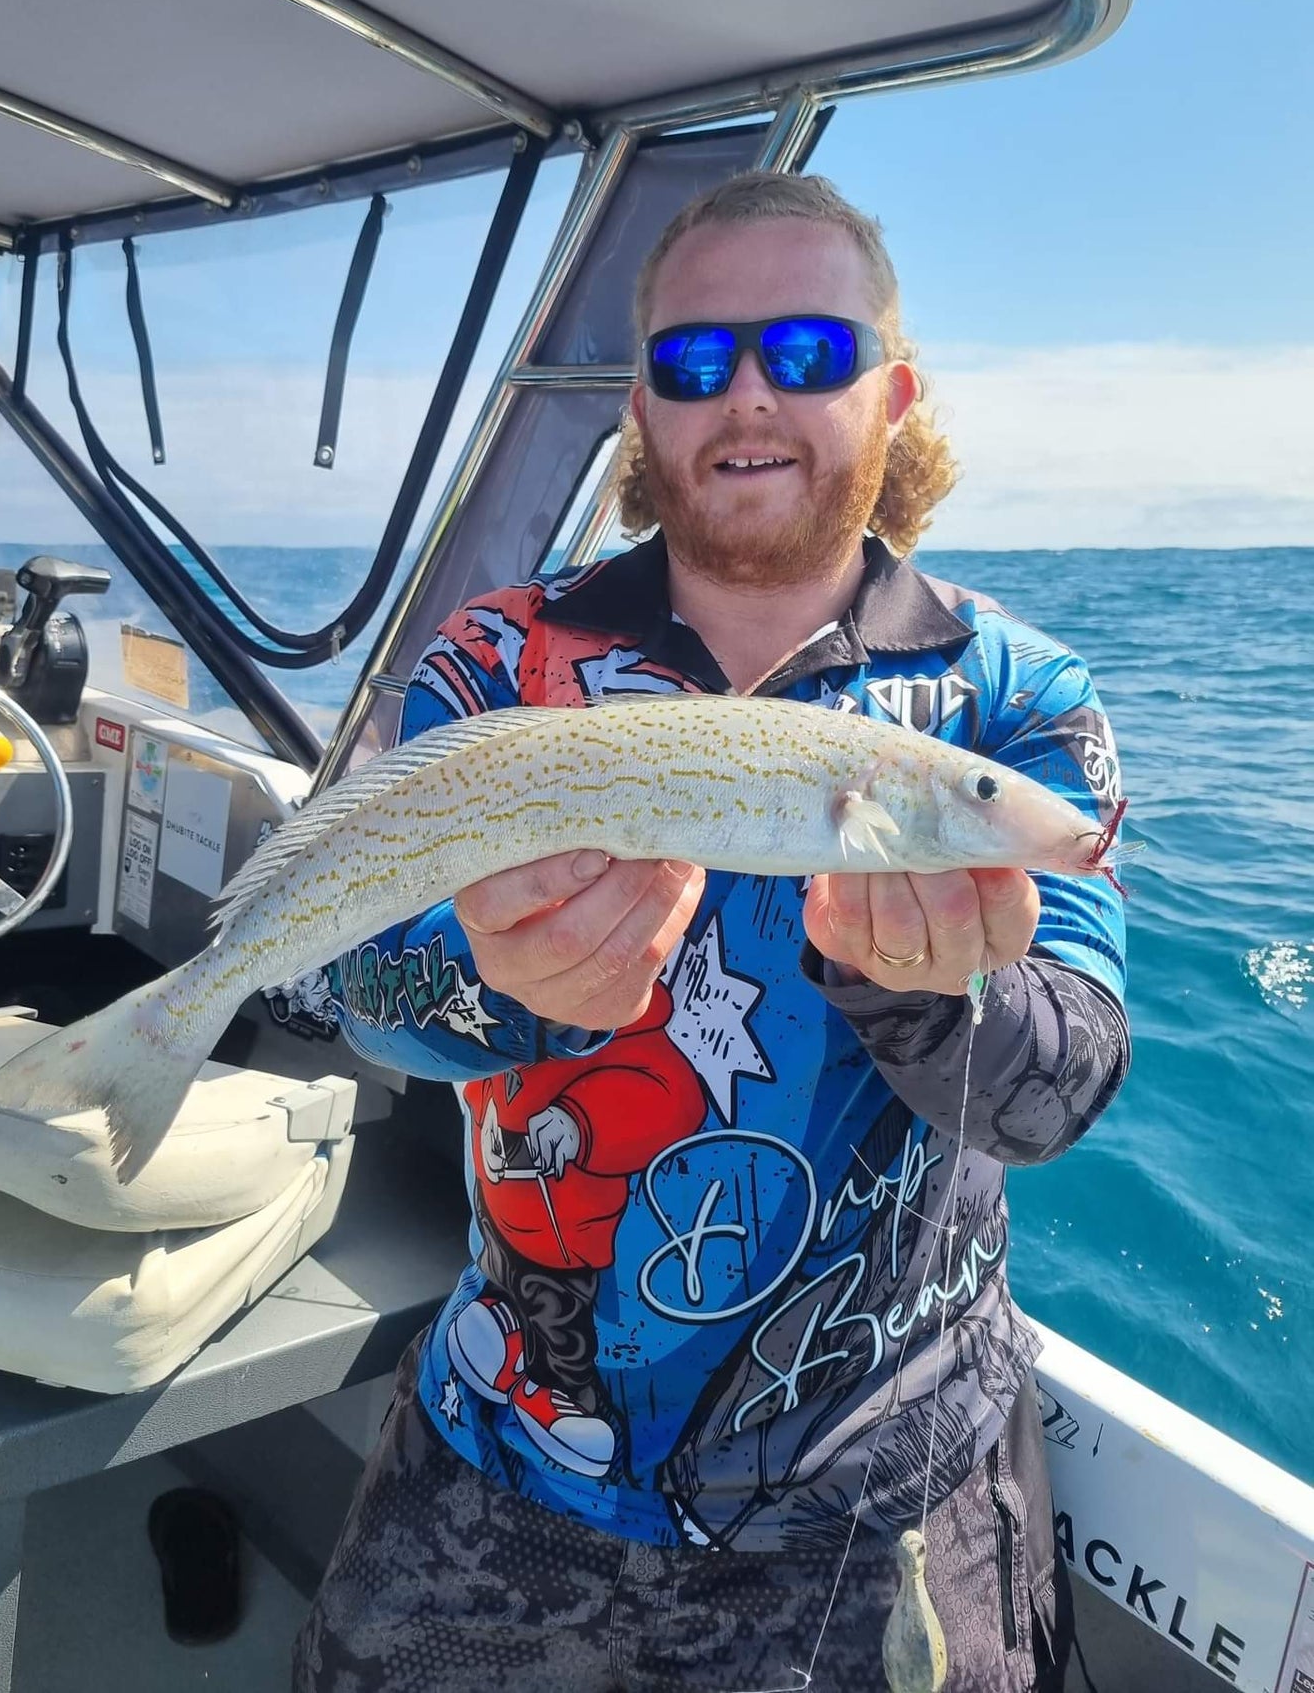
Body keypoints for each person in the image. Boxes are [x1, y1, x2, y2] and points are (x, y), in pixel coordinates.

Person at [291, 171, 1130, 1692]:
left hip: (875, 1498)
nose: (745, 396)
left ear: (893, 389)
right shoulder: (496, 659)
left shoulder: (1015, 700)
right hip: (504, 1453)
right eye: (692, 362)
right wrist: (495, 986)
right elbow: (361, 992)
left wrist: (928, 997)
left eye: (805, 352)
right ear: (639, 406)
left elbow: (1054, 1093)